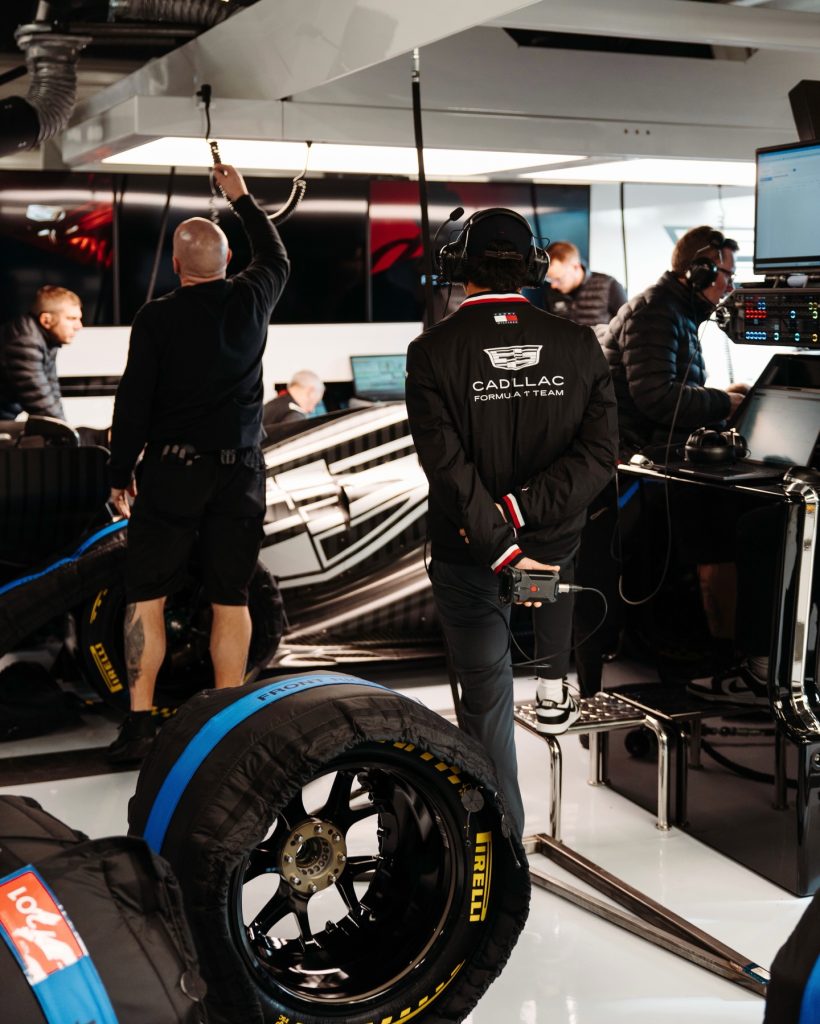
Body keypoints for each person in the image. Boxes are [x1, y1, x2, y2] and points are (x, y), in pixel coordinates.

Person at [405, 208, 618, 839]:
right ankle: (554, 684)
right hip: (550, 557)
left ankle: (500, 853)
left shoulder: (431, 351)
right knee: (543, 671)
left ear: (458, 270)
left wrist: (500, 540)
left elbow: (447, 471)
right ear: (532, 270)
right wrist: (525, 513)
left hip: (473, 562)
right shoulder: (580, 345)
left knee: (487, 706)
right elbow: (601, 458)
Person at [105, 163, 289, 763]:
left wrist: (118, 471)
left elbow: (134, 402)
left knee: (148, 595)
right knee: (229, 596)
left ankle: (138, 726)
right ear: (228, 257)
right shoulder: (253, 296)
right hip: (239, 473)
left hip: (171, 472)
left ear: (177, 266)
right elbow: (275, 253)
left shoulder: (156, 317)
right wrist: (240, 196)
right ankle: (226, 723)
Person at [599, 225, 746, 456]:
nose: (730, 286)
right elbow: (657, 397)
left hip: (655, 446)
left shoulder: (676, 310)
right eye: (728, 274)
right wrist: (725, 403)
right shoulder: (654, 313)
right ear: (701, 271)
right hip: (641, 455)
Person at [0, 285, 83, 421]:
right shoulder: (25, 342)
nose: (79, 326)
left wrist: (64, 428)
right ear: (46, 320)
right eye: (71, 318)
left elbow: (51, 391)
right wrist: (66, 433)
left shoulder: (47, 340)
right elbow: (39, 400)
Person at [534, 241, 626, 327]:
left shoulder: (609, 286)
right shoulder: (550, 294)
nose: (553, 285)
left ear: (575, 267)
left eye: (558, 279)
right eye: (550, 279)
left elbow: (627, 327)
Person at [262, 369, 325, 434]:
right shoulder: (295, 415)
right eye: (315, 403)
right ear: (310, 391)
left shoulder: (275, 404)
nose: (312, 410)